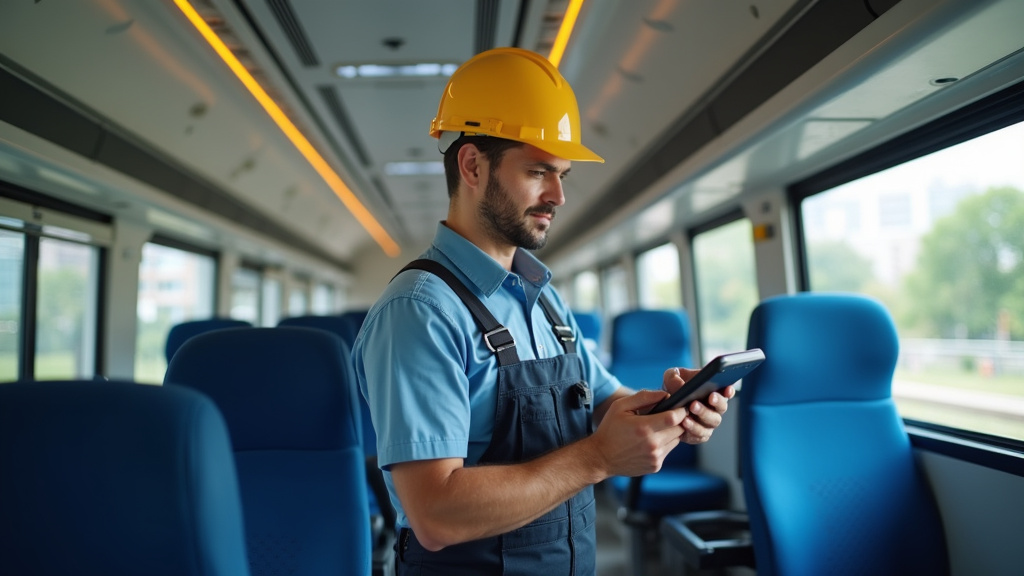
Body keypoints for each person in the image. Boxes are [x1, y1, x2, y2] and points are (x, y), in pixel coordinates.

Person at [353, 47, 735, 576]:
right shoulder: (419, 312)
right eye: (538, 171)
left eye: (562, 175)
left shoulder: (543, 297)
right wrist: (599, 457)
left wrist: (670, 411)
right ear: (472, 166)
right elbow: (435, 514)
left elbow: (604, 400)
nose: (558, 195)